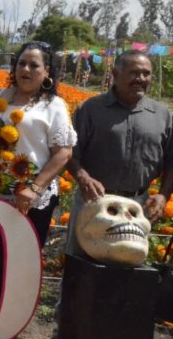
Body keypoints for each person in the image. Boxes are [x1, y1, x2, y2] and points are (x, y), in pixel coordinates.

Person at [0, 41, 76, 330]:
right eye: (22, 63)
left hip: (32, 200)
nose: (26, 69)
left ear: (47, 73)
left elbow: (63, 153)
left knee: (20, 265)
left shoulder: (54, 106)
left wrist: (34, 188)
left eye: (34, 65)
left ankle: (10, 329)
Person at [66, 50, 173, 246]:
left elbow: (171, 161)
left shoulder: (163, 116)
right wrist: (83, 177)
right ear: (115, 75)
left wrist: (164, 195)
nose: (140, 79)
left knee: (127, 270)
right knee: (81, 268)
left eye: (146, 74)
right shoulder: (90, 109)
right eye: (133, 73)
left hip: (137, 207)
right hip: (93, 203)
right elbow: (70, 154)